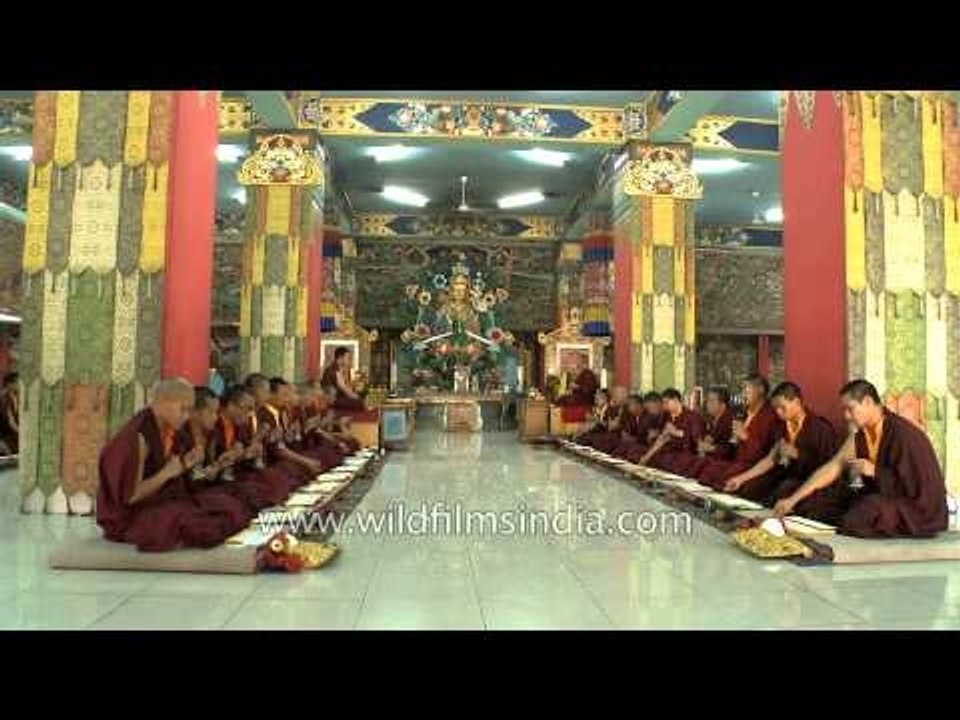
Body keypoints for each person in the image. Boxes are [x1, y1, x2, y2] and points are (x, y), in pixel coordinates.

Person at [774, 379, 948, 537]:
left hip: (915, 508)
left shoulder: (904, 435)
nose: (846, 416)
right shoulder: (861, 435)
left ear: (867, 402)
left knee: (865, 512)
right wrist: (793, 499)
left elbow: (916, 488)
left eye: (850, 409)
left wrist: (874, 471)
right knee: (816, 504)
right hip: (877, 496)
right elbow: (833, 466)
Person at [95, 378, 252, 552]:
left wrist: (187, 465)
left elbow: (190, 478)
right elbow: (131, 495)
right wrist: (167, 473)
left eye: (189, 410)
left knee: (229, 509)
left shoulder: (171, 432)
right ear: (162, 402)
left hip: (163, 503)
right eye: (182, 409)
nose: (186, 416)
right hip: (130, 517)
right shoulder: (139, 437)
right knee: (201, 524)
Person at [723, 381, 839, 506]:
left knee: (784, 489)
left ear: (797, 402)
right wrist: (740, 479)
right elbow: (770, 459)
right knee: (750, 486)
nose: (778, 412)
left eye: (782, 407)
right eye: (776, 408)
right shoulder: (782, 427)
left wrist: (798, 455)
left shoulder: (820, 429)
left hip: (809, 483)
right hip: (783, 477)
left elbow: (829, 467)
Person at [696, 374, 779, 489]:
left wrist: (745, 436)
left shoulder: (771, 415)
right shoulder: (743, 414)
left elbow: (767, 453)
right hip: (737, 461)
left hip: (755, 467)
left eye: (746, 388)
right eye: (742, 389)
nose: (743, 393)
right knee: (710, 471)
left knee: (723, 479)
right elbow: (731, 447)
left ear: (761, 390)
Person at [640, 388, 705, 472]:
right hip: (671, 455)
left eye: (666, 402)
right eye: (663, 403)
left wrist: (676, 432)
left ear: (676, 400)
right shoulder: (667, 416)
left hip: (688, 456)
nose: (664, 406)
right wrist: (646, 457)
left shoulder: (693, 416)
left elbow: (697, 441)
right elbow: (661, 439)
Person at [575, 386, 628, 452]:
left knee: (601, 440)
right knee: (586, 436)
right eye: (614, 396)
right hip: (607, 432)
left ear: (623, 396)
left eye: (616, 396)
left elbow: (612, 426)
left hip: (618, 436)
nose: (614, 399)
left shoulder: (626, 409)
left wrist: (597, 421)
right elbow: (608, 425)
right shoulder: (613, 409)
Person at [0, 372, 18, 454]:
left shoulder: (15, 396)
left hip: (12, 434)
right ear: (9, 384)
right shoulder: (3, 398)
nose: (19, 385)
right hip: (5, 435)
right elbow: (11, 422)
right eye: (17, 382)